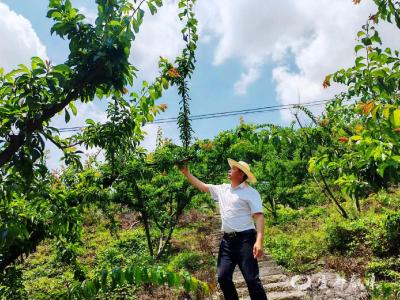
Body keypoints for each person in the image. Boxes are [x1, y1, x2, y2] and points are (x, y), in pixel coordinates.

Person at [179, 158, 268, 300]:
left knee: (252, 279)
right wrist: (186, 173)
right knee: (223, 278)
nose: (229, 170)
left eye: (233, 169)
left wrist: (259, 241)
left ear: (241, 174)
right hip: (227, 242)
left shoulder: (251, 193)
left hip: (246, 240)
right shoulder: (223, 189)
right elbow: (203, 186)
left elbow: (258, 217)